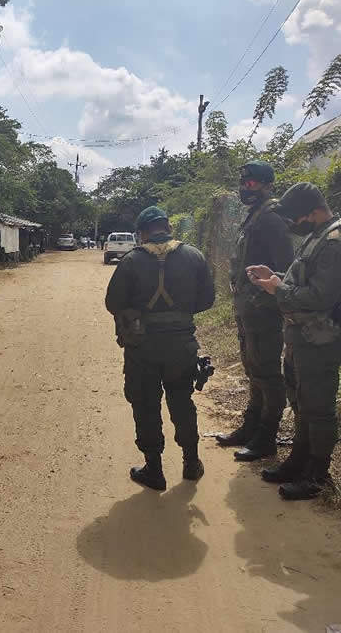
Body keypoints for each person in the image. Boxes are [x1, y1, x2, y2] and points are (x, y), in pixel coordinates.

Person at [248, 182, 341, 500]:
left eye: (294, 218)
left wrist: (277, 289)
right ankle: (299, 459)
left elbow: (319, 296)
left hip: (321, 338)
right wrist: (276, 277)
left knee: (318, 407)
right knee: (300, 401)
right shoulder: (317, 237)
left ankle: (318, 474)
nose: (291, 225)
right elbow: (305, 281)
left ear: (313, 212)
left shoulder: (338, 244)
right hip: (303, 335)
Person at [105, 206, 215, 491]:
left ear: (141, 233)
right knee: (182, 401)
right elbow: (207, 300)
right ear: (168, 226)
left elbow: (113, 303)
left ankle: (154, 470)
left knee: (145, 404)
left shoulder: (131, 260)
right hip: (182, 345)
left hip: (143, 346)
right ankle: (191, 462)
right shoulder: (194, 256)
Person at [218, 161, 294, 461]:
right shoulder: (255, 216)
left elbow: (286, 269)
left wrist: (268, 292)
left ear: (268, 185)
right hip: (248, 309)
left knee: (268, 373)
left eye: (250, 184)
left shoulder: (272, 219)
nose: (244, 188)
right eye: (242, 183)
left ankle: (266, 436)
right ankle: (251, 426)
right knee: (253, 369)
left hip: (264, 310)